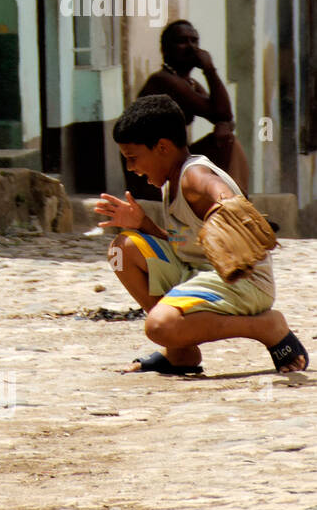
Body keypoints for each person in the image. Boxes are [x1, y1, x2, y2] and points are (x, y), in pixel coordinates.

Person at [95, 95, 307, 375]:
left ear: (162, 148)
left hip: (243, 280)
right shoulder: (170, 180)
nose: (132, 168)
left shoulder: (192, 176)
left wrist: (227, 204)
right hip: (199, 272)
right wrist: (142, 223)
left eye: (133, 158)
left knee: (159, 326)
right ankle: (181, 353)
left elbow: (214, 186)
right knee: (123, 248)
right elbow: (183, 247)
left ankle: (266, 327)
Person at [127, 20, 249, 200]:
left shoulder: (188, 83)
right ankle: (239, 204)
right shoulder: (163, 81)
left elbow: (223, 116)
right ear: (165, 50)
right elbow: (222, 114)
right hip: (150, 177)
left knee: (227, 140)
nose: (191, 48)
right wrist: (209, 69)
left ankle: (239, 202)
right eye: (182, 41)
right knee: (226, 140)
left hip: (171, 165)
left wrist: (224, 125)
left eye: (194, 41)